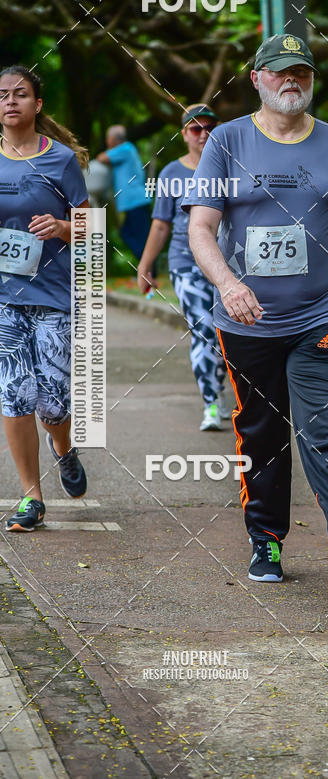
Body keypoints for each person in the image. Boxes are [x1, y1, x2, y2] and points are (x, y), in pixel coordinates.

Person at [183, 34, 328, 610]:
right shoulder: (227, 142)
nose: (293, 82)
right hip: (248, 320)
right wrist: (229, 284)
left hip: (323, 314)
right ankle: (266, 541)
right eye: (281, 73)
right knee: (262, 432)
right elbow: (201, 228)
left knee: (327, 430)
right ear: (257, 78)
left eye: (302, 73)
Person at [0, 65, 89, 532]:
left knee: (53, 401)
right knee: (15, 394)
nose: (10, 101)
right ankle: (31, 496)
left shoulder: (61, 161)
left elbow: (89, 227)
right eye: (2, 95)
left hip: (53, 295)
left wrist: (60, 228)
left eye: (20, 94)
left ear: (37, 105)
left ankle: (63, 446)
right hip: (4, 298)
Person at [137, 104, 228, 431]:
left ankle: (230, 394)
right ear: (184, 133)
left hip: (229, 265)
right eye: (195, 128)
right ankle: (211, 403)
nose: (203, 134)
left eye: (210, 128)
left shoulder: (231, 166)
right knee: (204, 330)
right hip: (185, 263)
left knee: (228, 335)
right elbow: (161, 224)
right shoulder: (171, 174)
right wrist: (145, 265)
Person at [98, 125, 149, 260]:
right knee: (128, 233)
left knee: (137, 236)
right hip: (134, 200)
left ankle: (149, 269)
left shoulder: (125, 149)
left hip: (135, 200)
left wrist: (109, 150)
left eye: (108, 138)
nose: (107, 141)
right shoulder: (127, 150)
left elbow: (101, 158)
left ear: (113, 139)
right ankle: (147, 267)